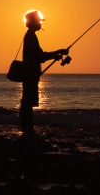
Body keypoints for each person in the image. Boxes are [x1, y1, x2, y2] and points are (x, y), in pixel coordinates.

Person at [20, 10, 69, 138]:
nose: (41, 24)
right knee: (27, 102)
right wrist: (56, 53)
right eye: (39, 21)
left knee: (27, 102)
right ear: (33, 22)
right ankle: (28, 131)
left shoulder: (30, 35)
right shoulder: (31, 36)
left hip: (30, 73)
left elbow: (39, 56)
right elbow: (39, 56)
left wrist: (55, 55)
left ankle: (27, 130)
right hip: (30, 74)